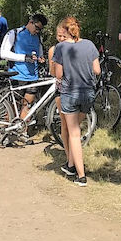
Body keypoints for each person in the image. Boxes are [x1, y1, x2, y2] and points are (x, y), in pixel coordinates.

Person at [52, 17, 100, 187]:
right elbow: (97, 70)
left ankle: (81, 175)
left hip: (69, 93)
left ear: (65, 32)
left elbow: (58, 74)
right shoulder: (89, 45)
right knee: (76, 130)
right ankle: (71, 165)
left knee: (74, 134)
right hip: (88, 93)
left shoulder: (61, 47)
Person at [0, 13, 48, 123]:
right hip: (17, 75)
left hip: (32, 77)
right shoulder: (15, 33)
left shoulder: (38, 37)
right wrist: (24, 58)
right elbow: (3, 53)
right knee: (13, 106)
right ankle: (6, 130)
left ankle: (22, 132)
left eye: (40, 29)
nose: (37, 31)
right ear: (31, 22)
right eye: (36, 28)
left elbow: (39, 53)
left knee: (27, 106)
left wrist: (41, 58)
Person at [48, 21, 72, 176]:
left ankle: (72, 156)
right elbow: (53, 72)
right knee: (64, 123)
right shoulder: (53, 50)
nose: (61, 38)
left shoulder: (73, 47)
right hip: (61, 87)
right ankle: (69, 155)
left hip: (74, 87)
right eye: (59, 35)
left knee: (73, 127)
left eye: (64, 35)